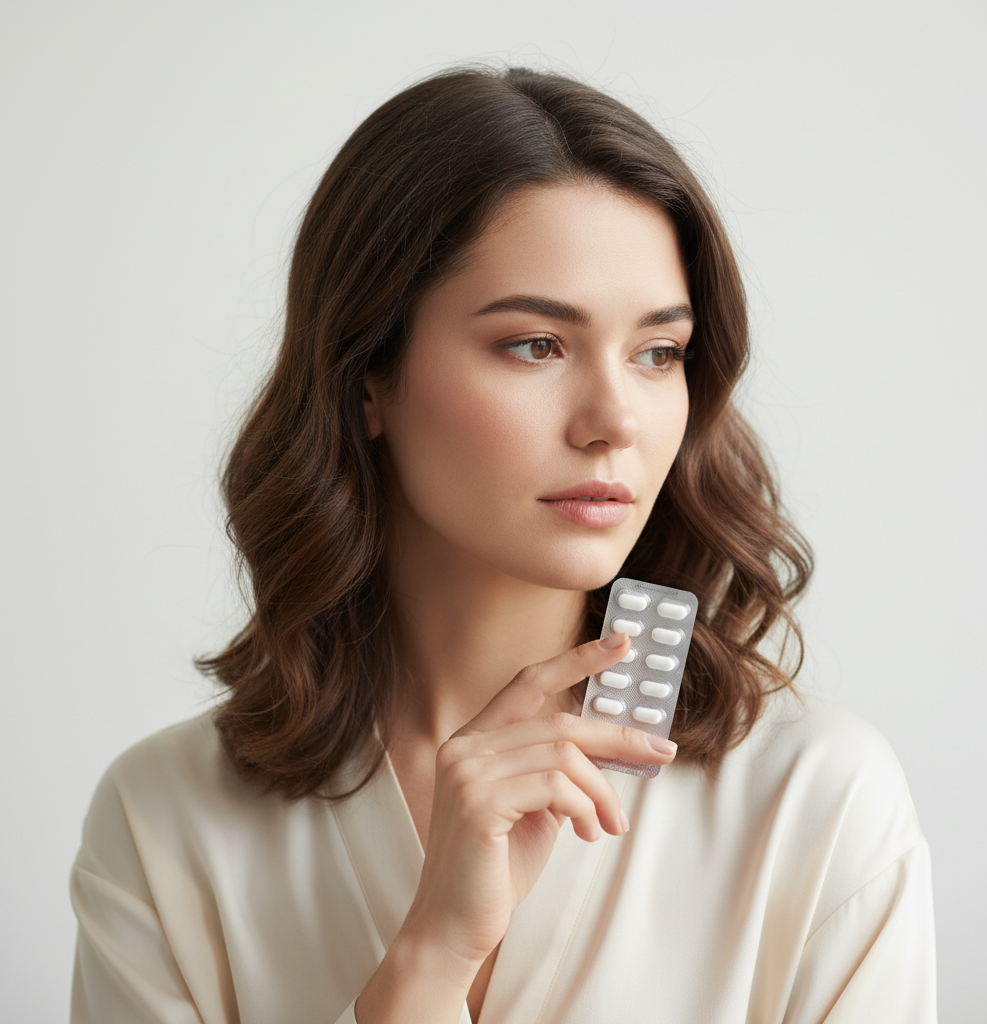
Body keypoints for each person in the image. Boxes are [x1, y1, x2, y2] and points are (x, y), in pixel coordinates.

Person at [70, 66, 937, 1024]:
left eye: (659, 353)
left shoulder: (814, 804)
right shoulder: (165, 823)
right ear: (369, 379)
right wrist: (430, 964)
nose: (615, 420)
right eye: (536, 345)